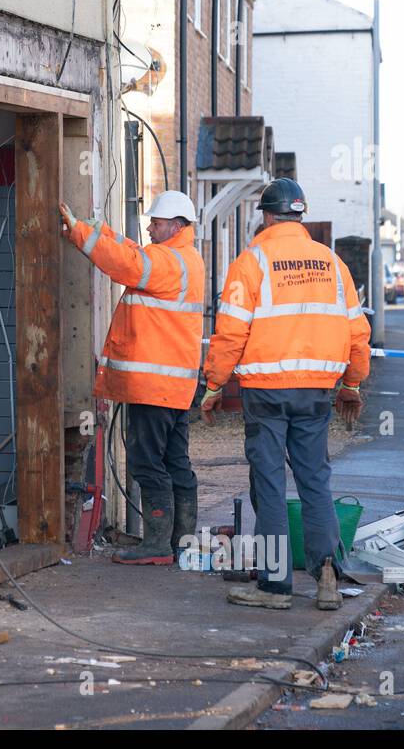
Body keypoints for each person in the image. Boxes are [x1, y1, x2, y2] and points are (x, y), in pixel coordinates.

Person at [200, 179, 370, 609]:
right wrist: (352, 383)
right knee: (315, 479)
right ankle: (327, 574)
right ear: (300, 215)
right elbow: (357, 332)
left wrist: (214, 385)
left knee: (270, 482)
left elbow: (231, 332)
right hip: (317, 391)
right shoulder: (332, 264)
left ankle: (275, 586)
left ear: (267, 215)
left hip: (267, 392)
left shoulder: (252, 261)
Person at [60, 191, 205, 565]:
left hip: (153, 388)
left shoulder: (167, 261)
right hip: (174, 387)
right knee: (176, 462)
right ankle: (181, 543)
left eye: (155, 222)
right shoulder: (183, 258)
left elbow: (126, 264)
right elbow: (133, 253)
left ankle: (158, 545)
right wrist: (102, 230)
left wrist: (80, 233)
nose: (150, 227)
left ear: (175, 225)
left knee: (146, 463)